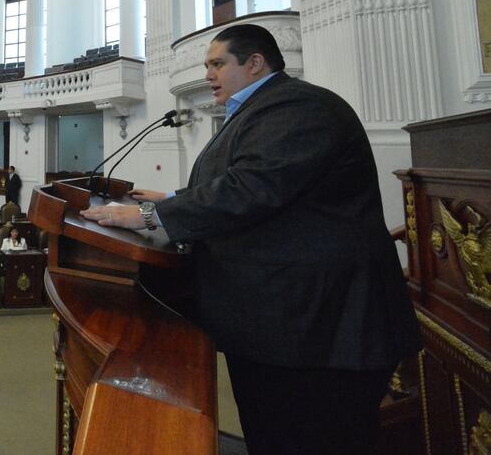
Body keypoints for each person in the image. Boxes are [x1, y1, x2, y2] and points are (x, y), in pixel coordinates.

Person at [80, 24, 420, 455]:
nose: (208, 74)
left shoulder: (298, 106)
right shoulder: (260, 110)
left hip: (321, 329)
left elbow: (253, 188)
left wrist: (150, 216)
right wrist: (173, 198)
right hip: (285, 325)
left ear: (255, 62)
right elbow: (245, 181)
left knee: (313, 440)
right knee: (273, 437)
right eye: (207, 65)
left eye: (217, 63)